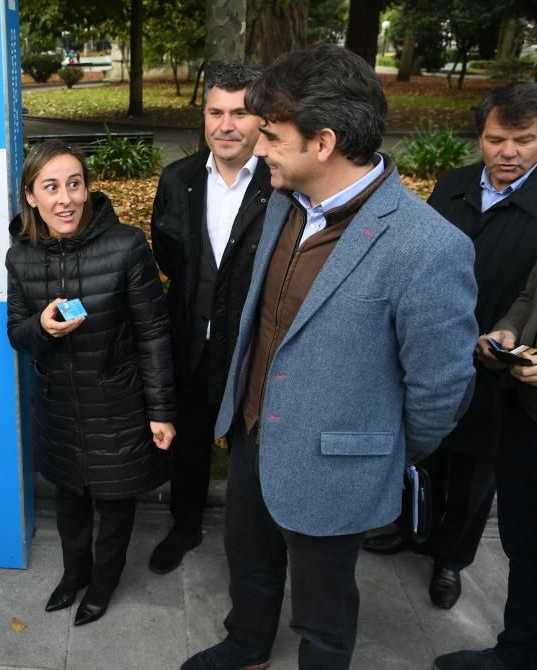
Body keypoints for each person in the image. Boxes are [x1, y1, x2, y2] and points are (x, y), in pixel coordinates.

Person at [182, 45, 478, 670]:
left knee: (325, 605)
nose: (258, 148)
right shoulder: (283, 203)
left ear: (323, 142)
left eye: (271, 135)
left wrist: (374, 448)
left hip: (337, 464)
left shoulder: (427, 248)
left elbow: (441, 389)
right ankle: (247, 645)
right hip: (252, 434)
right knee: (249, 561)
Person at [363, 81, 537, 611]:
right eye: (495, 139)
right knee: (425, 446)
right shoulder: (453, 185)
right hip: (435, 348)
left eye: (524, 140)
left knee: (474, 473)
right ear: (479, 138)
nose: (508, 153)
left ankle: (449, 560)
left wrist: (508, 342)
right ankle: (409, 529)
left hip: (500, 367)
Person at [6, 140, 176, 626]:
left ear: (87, 188)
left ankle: (103, 583)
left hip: (118, 404)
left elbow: (154, 334)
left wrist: (161, 411)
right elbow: (17, 336)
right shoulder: (20, 257)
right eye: (51, 186)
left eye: (74, 184)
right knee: (69, 500)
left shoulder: (126, 246)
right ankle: (73, 574)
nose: (66, 198)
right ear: (31, 196)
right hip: (59, 405)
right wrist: (42, 326)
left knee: (115, 504)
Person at [148, 62, 271, 574]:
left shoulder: (280, 184)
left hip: (255, 348)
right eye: (215, 111)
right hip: (192, 341)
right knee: (191, 442)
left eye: (240, 113)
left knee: (254, 449)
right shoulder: (178, 180)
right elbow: (168, 256)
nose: (226, 125)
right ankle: (185, 526)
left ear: (261, 119)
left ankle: (255, 545)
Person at [435, 261, 537, 670]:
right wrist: (507, 332)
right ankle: (517, 654)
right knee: (526, 552)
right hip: (524, 419)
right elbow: (531, 295)